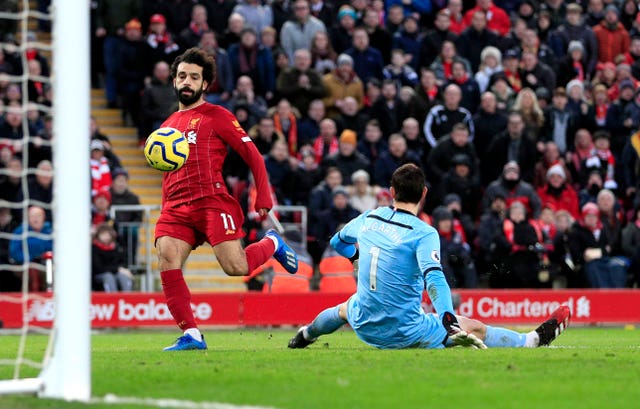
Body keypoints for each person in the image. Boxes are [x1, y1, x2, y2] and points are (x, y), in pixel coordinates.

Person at [288, 164, 571, 350]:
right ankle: (532, 341)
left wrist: (355, 258)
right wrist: (449, 319)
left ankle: (305, 335)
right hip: (404, 332)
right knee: (474, 326)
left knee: (342, 310)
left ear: (391, 192)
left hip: (363, 324)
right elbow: (433, 277)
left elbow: (338, 241)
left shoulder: (369, 217)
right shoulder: (423, 232)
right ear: (423, 194)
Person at [157, 48, 299, 351]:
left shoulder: (218, 116)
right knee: (166, 257)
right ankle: (192, 335)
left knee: (235, 267)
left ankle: (271, 242)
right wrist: (165, 207)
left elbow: (252, 154)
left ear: (205, 84)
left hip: (211, 202)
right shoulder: (167, 125)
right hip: (176, 207)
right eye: (182, 75)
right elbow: (167, 171)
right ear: (174, 80)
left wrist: (263, 192)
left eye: (194, 77)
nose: (187, 81)